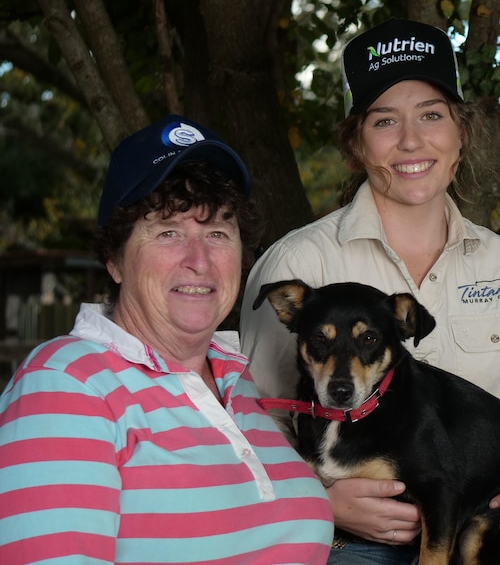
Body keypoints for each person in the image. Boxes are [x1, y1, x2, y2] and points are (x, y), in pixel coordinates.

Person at [239, 18, 500, 565]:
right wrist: (322, 499)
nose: (412, 141)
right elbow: (253, 423)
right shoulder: (301, 262)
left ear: (461, 132)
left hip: (480, 535)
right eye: (385, 121)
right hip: (346, 543)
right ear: (356, 142)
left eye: (432, 116)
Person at [0, 115, 334, 564]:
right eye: (168, 232)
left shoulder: (237, 381)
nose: (199, 260)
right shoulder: (65, 385)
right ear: (114, 260)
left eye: (218, 233)